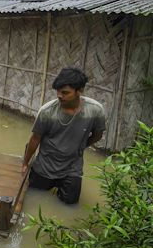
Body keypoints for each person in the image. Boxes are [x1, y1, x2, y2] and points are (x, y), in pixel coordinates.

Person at [21, 67, 106, 204]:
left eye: (65, 92)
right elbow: (35, 139)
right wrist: (25, 163)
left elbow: (98, 135)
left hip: (72, 167)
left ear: (79, 91)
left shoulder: (94, 110)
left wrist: (80, 146)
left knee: (69, 205)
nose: (60, 95)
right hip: (45, 165)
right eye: (58, 91)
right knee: (33, 198)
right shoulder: (47, 111)